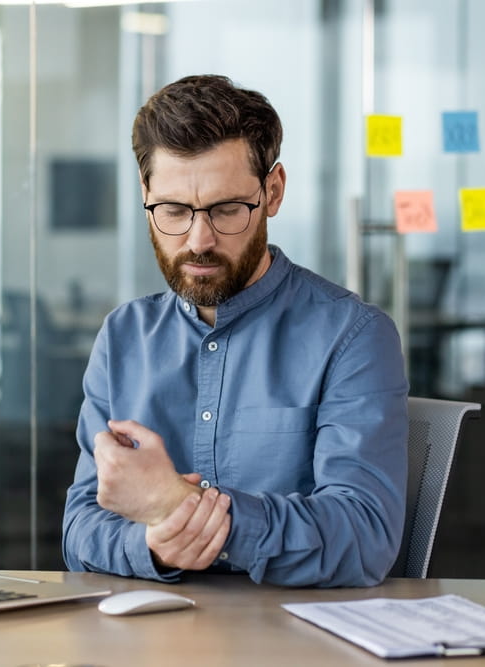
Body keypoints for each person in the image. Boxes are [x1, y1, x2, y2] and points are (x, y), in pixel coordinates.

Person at [62, 74, 408, 587]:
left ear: (272, 191)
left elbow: (364, 537)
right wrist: (152, 546)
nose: (199, 240)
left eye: (226, 209)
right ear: (146, 194)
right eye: (174, 211)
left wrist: (176, 506)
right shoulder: (123, 337)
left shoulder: (353, 336)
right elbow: (80, 529)